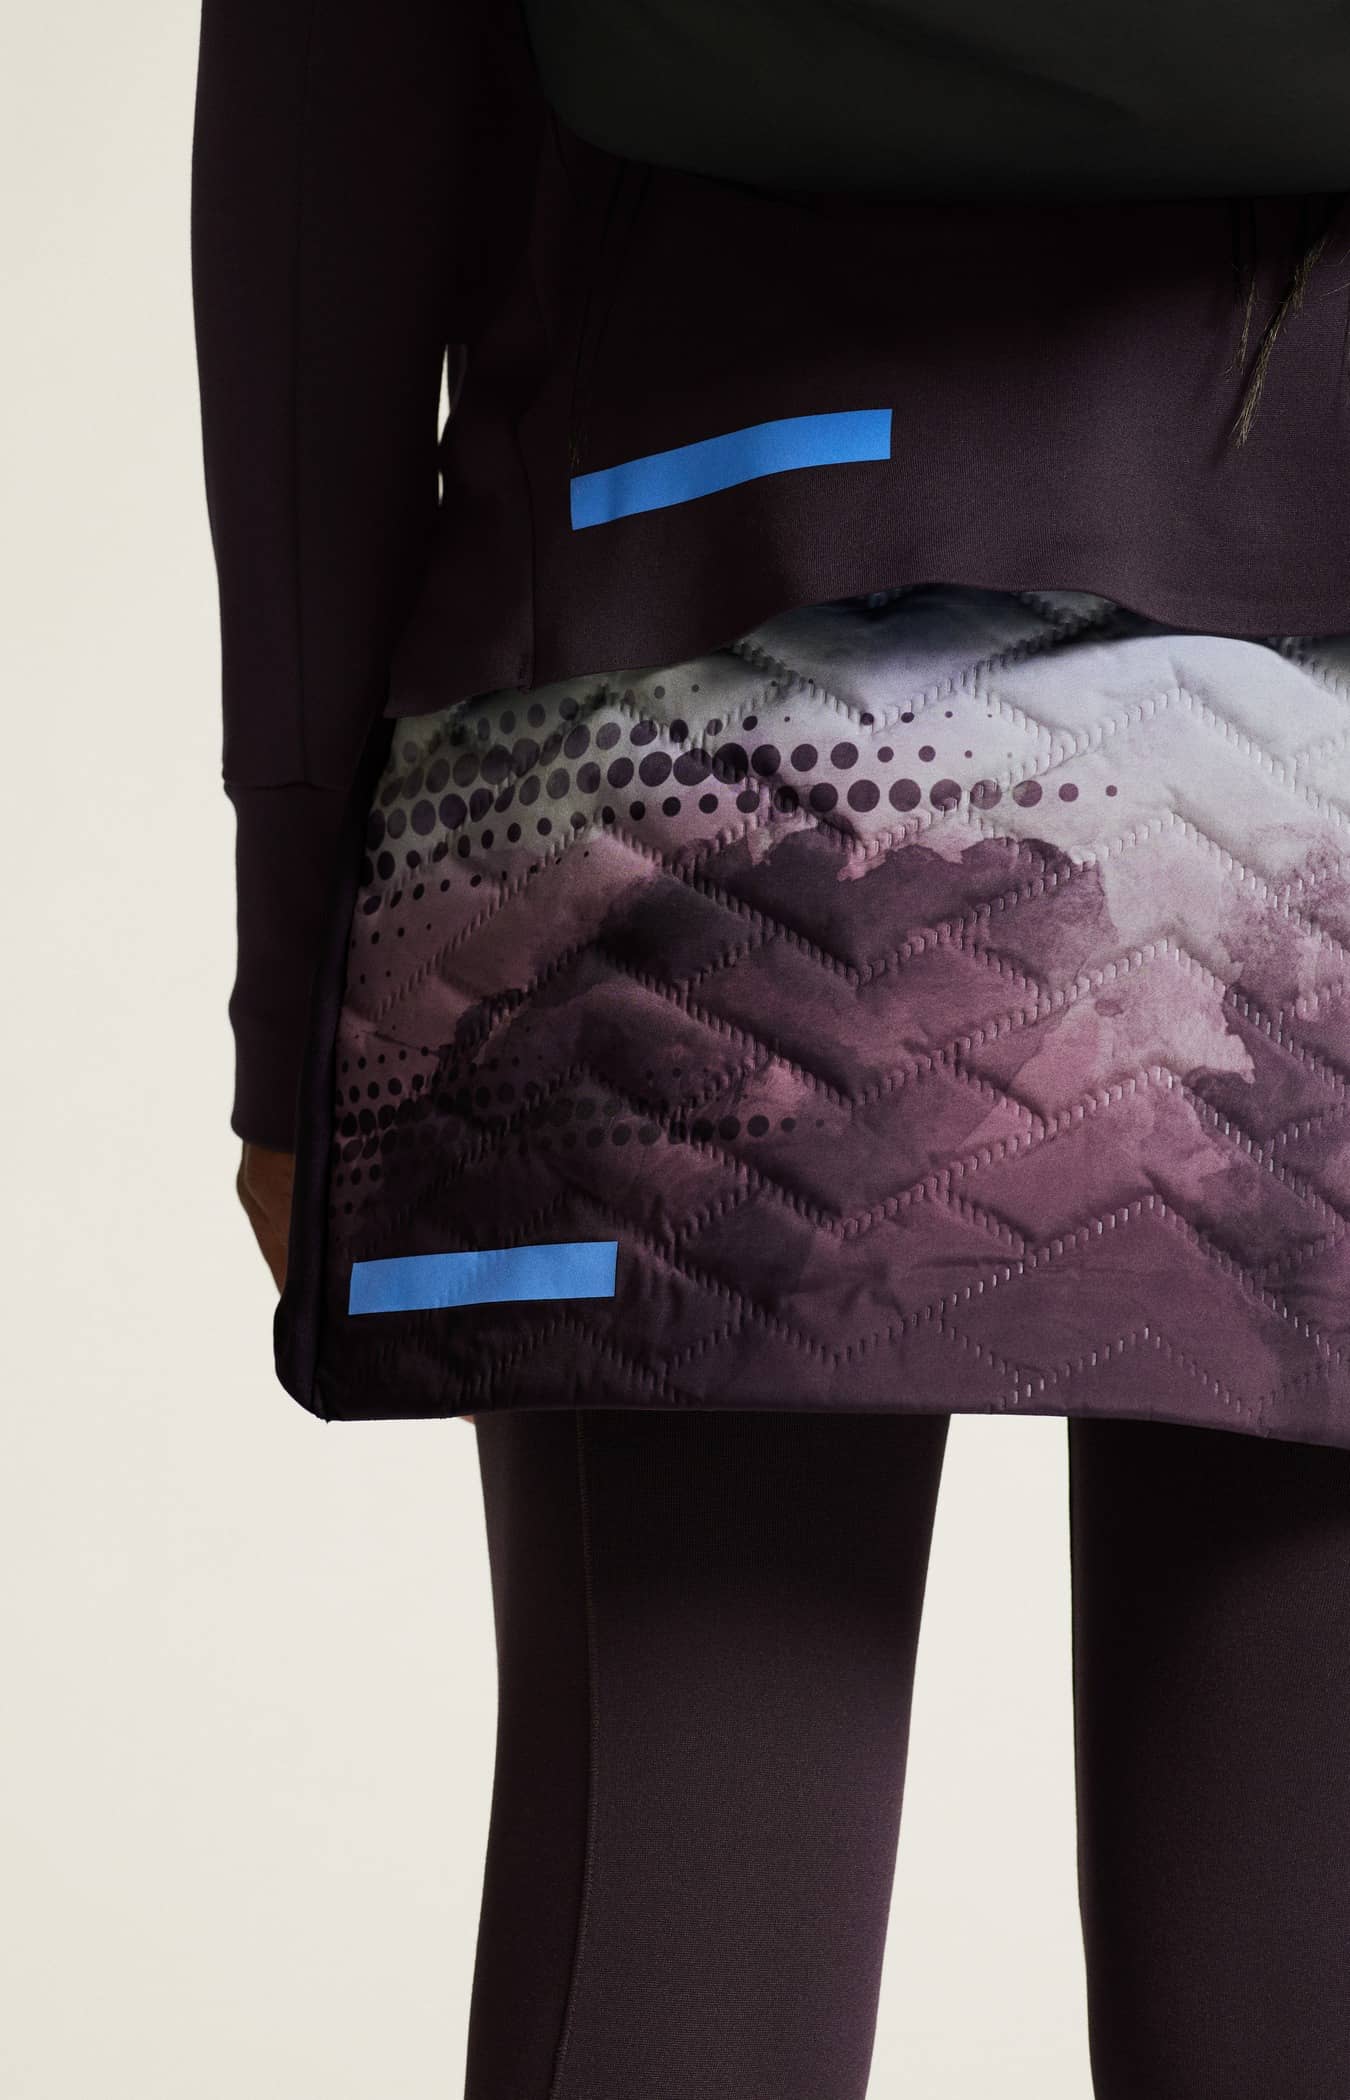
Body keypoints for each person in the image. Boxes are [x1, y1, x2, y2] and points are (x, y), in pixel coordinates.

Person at [190, 4, 1350, 2093]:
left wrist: (296, 986)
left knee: (679, 1954)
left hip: (690, 692)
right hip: (1326, 755)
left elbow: (322, 131)